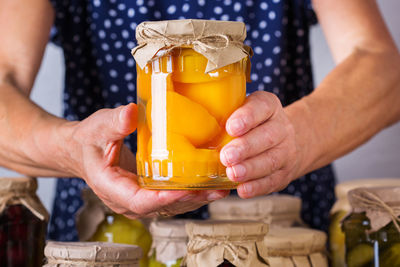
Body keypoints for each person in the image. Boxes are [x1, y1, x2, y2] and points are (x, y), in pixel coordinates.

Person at [0, 0, 399, 241]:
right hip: (103, 224)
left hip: (276, 222)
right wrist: (72, 150)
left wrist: (299, 136)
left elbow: (382, 66)